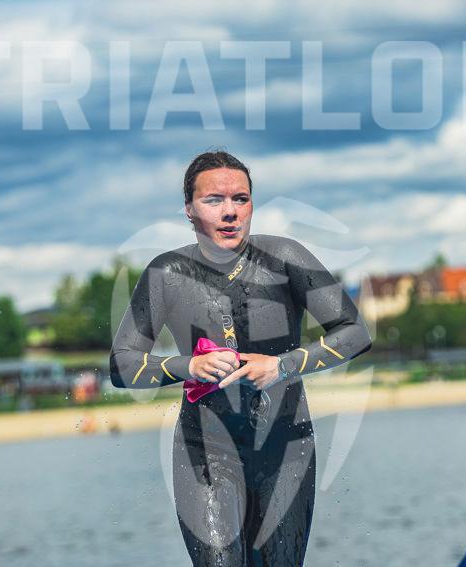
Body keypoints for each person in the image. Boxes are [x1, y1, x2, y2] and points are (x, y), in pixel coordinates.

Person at [110, 151, 372, 566]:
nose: (230, 211)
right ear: (189, 210)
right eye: (214, 200)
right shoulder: (166, 273)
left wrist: (282, 366)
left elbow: (355, 333)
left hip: (286, 448)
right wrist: (188, 366)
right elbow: (122, 364)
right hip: (205, 449)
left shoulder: (286, 257)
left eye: (241, 199)